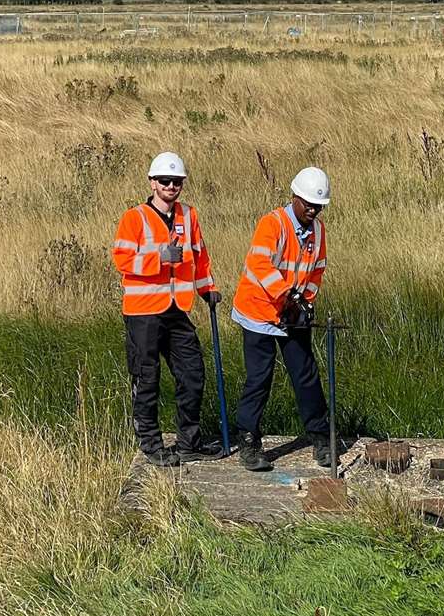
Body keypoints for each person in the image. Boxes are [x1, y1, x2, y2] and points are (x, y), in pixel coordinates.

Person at [111, 152, 225, 467]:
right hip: (142, 311)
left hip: (177, 309)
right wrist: (157, 259)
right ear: (152, 182)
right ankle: (151, 444)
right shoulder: (134, 217)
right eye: (165, 181)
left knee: (192, 374)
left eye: (176, 181)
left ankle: (189, 443)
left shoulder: (189, 216)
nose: (171, 186)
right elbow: (121, 259)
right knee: (146, 377)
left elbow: (199, 257)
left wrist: (208, 288)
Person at [230, 166, 333, 472]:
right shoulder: (273, 223)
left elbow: (317, 270)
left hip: (291, 315)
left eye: (319, 206)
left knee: (305, 375)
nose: (313, 210)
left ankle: (321, 439)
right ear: (295, 197)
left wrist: (305, 303)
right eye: (308, 205)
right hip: (258, 312)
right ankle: (249, 442)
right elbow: (259, 265)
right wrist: (289, 297)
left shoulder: (318, 231)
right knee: (259, 378)